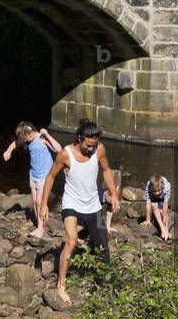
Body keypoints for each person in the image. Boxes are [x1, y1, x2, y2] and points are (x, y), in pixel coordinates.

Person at [39, 119, 119, 306]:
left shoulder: (99, 149)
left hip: (93, 206)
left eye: (93, 145)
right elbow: (50, 177)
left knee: (103, 245)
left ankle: (104, 284)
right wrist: (44, 204)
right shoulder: (65, 155)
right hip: (72, 204)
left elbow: (106, 170)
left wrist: (114, 194)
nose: (91, 149)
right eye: (88, 145)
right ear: (79, 138)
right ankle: (61, 285)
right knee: (72, 241)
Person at [3, 121, 62, 239]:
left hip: (44, 175)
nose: (23, 141)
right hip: (33, 173)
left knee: (40, 202)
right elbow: (15, 143)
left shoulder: (42, 138)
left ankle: (40, 229)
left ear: (28, 132)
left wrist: (48, 135)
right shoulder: (26, 139)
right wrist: (8, 151)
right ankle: (39, 224)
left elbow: (58, 149)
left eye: (23, 137)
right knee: (35, 201)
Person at [142, 175, 173, 241]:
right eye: (154, 191)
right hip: (152, 196)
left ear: (162, 186)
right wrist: (148, 219)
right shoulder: (149, 187)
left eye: (158, 191)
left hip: (162, 196)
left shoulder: (166, 186)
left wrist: (164, 216)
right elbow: (148, 204)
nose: (156, 193)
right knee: (153, 205)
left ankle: (166, 229)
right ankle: (162, 228)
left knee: (162, 212)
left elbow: (165, 203)